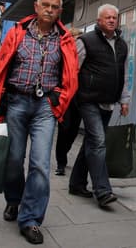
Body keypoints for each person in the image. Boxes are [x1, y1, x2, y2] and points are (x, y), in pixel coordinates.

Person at [0, 0, 78, 245]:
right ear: (36, 7)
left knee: (40, 164)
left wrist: (58, 98)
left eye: (55, 6)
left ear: (60, 11)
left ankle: (31, 219)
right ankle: (14, 200)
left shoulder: (65, 39)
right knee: (13, 159)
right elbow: (1, 67)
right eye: (45, 5)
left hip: (45, 106)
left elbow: (70, 75)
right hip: (16, 102)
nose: (49, 9)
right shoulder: (17, 33)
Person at [68, 4, 130, 208]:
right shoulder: (85, 41)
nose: (112, 20)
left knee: (92, 142)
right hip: (88, 100)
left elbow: (123, 74)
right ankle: (102, 191)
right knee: (98, 142)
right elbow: (72, 71)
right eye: (107, 17)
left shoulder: (122, 44)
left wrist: (124, 100)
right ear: (99, 21)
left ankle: (76, 183)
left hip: (108, 102)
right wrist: (68, 97)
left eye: (114, 17)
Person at [54, 27, 83, 176]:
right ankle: (61, 162)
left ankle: (64, 152)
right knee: (64, 128)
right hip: (65, 96)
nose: (76, 42)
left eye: (78, 39)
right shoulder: (63, 55)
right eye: (74, 38)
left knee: (73, 130)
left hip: (79, 96)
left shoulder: (83, 55)